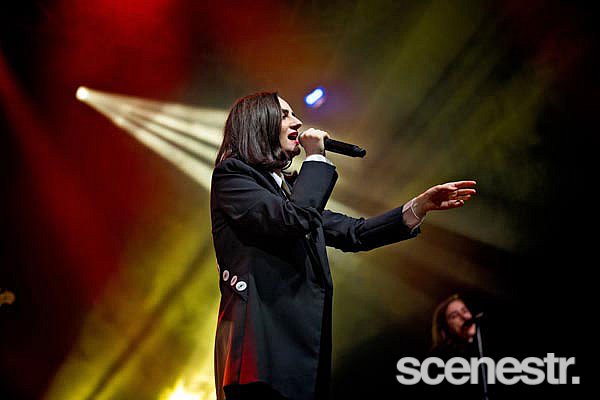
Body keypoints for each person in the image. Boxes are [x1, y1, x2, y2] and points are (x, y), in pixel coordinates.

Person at [210, 92, 476, 400]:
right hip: (261, 355)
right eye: (284, 115)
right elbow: (292, 219)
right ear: (258, 123)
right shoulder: (234, 176)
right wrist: (315, 158)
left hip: (298, 359)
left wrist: (418, 206)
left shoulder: (289, 193)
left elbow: (354, 233)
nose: (297, 122)